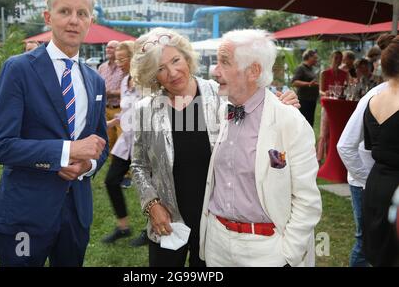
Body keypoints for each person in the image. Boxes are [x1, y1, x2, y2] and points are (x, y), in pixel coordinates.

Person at [130, 27, 299, 267]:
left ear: (186, 57)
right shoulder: (146, 109)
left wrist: (281, 103)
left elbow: (258, 104)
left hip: (215, 221)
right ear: (151, 74)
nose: (172, 72)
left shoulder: (221, 93)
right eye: (160, 68)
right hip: (167, 221)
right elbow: (138, 165)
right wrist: (152, 204)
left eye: (176, 60)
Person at [0, 0, 108, 267]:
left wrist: (86, 165)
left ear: (90, 20)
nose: (73, 21)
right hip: (26, 213)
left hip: (77, 214)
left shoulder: (96, 81)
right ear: (48, 17)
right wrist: (66, 152)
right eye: (65, 11)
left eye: (82, 14)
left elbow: (99, 145)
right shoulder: (18, 69)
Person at [198, 29, 322, 267]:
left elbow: (307, 199)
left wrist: (288, 255)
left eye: (224, 61)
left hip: (267, 249)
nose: (215, 70)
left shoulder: (289, 121)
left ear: (253, 71)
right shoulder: (218, 111)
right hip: (218, 244)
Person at [101, 40, 148, 247]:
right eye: (117, 59)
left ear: (134, 58)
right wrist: (111, 122)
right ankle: (123, 227)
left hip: (145, 142)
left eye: (123, 59)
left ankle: (151, 230)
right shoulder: (125, 81)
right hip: (127, 140)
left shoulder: (146, 82)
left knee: (148, 187)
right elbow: (126, 110)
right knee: (111, 180)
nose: (119, 63)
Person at [337, 79, 388, 267]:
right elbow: (344, 146)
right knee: (365, 241)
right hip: (365, 182)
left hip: (386, 182)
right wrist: (368, 180)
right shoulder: (373, 96)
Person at [362, 33, 399, 266]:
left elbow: (369, 146)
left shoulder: (373, 100)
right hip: (395, 190)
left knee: (379, 258)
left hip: (375, 186)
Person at [317, 51, 349, 163]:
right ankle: (319, 157)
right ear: (331, 58)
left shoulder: (345, 74)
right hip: (327, 104)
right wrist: (324, 92)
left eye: (340, 58)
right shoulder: (324, 73)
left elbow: (346, 89)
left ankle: (330, 157)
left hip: (338, 105)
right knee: (324, 132)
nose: (338, 60)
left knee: (334, 132)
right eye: (336, 57)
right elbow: (320, 90)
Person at [98, 40, 126, 151]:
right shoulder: (102, 67)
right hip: (105, 108)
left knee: (122, 139)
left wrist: (111, 93)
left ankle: (124, 164)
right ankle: (111, 162)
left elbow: (128, 90)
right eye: (107, 47)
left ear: (118, 51)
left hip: (120, 109)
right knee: (109, 139)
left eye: (111, 48)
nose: (108, 50)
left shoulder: (123, 67)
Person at [291, 49, 319, 127]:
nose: (316, 60)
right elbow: (294, 82)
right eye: (315, 58)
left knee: (310, 121)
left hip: (312, 100)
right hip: (304, 100)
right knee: (303, 121)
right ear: (309, 57)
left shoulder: (311, 69)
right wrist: (309, 84)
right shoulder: (301, 68)